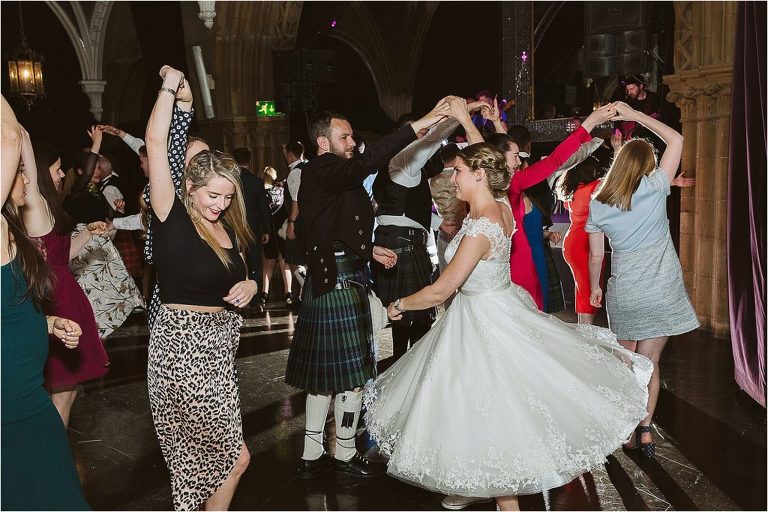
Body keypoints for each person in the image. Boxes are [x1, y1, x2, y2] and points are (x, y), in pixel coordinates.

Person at [363, 141, 652, 511]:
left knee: (493, 410)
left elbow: (441, 290)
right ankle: (476, 481)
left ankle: (500, 494)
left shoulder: (482, 226)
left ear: (479, 175)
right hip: (490, 309)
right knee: (469, 404)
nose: (453, 178)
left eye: (460, 172)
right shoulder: (499, 209)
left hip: (485, 322)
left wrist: (397, 305)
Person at [285, 100, 450, 479]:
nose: (351, 143)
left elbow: (331, 222)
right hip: (339, 281)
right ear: (323, 142)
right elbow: (367, 161)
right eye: (344, 137)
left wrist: (368, 248)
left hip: (338, 275)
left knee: (324, 377)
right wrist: (421, 124)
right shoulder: (326, 167)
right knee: (351, 376)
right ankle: (342, 453)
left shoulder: (325, 175)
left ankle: (312, 452)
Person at [145, 65, 255, 510]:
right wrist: (172, 88)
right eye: (212, 195)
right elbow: (157, 143)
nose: (220, 204)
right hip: (182, 349)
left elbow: (236, 281)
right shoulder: (171, 216)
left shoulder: (226, 229)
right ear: (189, 188)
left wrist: (248, 285)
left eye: (228, 197)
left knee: (208, 462)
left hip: (217, 353)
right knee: (234, 458)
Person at [586, 101, 699, 459]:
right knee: (650, 363)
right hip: (662, 289)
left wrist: (594, 286)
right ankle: (645, 432)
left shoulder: (598, 203)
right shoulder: (654, 188)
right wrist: (636, 117)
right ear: (646, 167)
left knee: (625, 362)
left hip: (627, 291)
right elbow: (676, 139)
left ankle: (621, 429)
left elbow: (596, 255)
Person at [1, 95, 89, 510]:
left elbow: (11, 308)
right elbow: (11, 137)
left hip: (27, 398)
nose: (24, 175)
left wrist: (49, 324)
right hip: (8, 408)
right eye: (17, 170)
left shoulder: (14, 228)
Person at [483, 103, 618, 310]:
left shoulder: (483, 181)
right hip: (517, 259)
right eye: (516, 157)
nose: (519, 162)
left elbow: (502, 151)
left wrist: (494, 123)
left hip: (502, 259)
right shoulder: (515, 181)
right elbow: (556, 159)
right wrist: (591, 121)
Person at [20, 137, 111, 426]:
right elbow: (29, 166)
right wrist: (19, 133)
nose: (62, 174)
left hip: (65, 295)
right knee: (61, 394)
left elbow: (61, 256)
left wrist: (86, 235)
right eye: (57, 169)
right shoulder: (34, 204)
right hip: (55, 300)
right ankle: (52, 459)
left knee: (67, 392)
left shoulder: (47, 206)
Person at [556, 156, 605, 325]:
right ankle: (586, 337)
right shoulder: (594, 187)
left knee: (582, 289)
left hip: (572, 241)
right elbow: (619, 184)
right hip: (586, 242)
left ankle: (583, 335)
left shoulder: (572, 190)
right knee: (589, 290)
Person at [233, 147, 271, 305]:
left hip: (234, 226)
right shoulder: (256, 181)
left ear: (234, 161)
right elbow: (264, 207)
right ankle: (255, 300)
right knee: (255, 262)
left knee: (234, 261)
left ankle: (235, 298)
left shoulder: (231, 180)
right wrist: (267, 229)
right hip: (252, 227)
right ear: (249, 160)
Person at [281, 141, 308, 304]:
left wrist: (291, 222)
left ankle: (306, 288)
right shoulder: (308, 167)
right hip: (307, 221)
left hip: (298, 221)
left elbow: (296, 200)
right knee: (300, 258)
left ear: (290, 154)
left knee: (293, 259)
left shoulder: (295, 173)